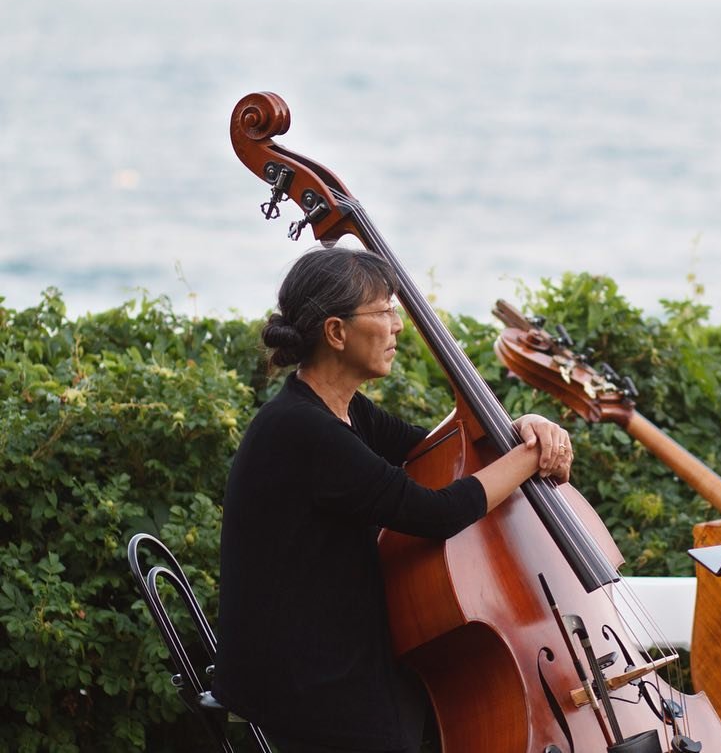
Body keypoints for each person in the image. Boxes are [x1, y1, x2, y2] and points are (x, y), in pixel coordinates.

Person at [213, 246, 573, 752]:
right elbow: (435, 513)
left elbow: (437, 451)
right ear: (336, 333)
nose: (398, 325)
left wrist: (518, 430)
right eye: (383, 311)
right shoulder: (300, 429)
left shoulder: (343, 409)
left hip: (335, 648)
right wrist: (529, 459)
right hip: (301, 678)